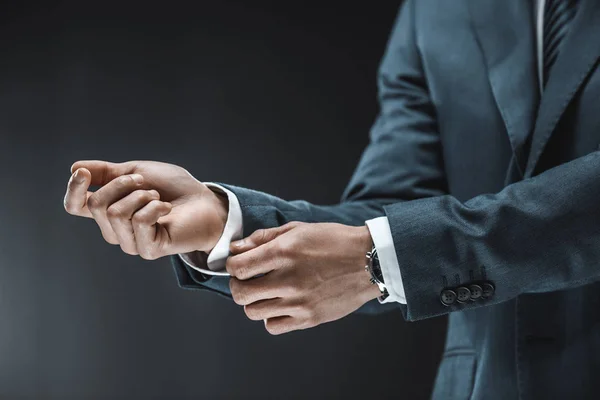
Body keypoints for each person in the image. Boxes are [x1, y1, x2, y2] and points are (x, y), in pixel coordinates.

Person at [64, 0, 600, 398]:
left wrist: (384, 256)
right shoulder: (435, 10)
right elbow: (388, 216)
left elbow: (388, 247)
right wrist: (227, 221)